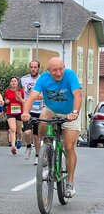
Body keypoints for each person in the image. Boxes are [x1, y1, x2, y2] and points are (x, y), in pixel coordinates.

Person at [22, 57, 82, 198]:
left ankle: (70, 183)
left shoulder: (70, 75)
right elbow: (31, 97)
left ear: (64, 67)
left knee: (68, 146)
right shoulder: (44, 78)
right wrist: (25, 112)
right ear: (49, 71)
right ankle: (47, 149)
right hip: (52, 110)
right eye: (54, 70)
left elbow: (78, 95)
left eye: (60, 69)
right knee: (43, 121)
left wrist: (75, 112)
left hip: (70, 113)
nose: (58, 73)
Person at [21, 60, 43, 165]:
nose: (33, 69)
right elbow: (16, 90)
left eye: (35, 67)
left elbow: (46, 93)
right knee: (27, 132)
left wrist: (36, 97)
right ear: (29, 68)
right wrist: (22, 100)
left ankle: (37, 156)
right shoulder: (24, 79)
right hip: (28, 111)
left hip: (40, 111)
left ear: (38, 68)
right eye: (31, 67)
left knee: (37, 135)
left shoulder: (42, 79)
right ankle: (29, 146)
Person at [4, 76, 24, 155]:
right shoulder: (7, 91)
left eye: (15, 81)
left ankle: (19, 138)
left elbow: (25, 101)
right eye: (12, 81)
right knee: (12, 129)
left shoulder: (21, 91)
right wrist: (6, 101)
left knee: (18, 130)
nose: (13, 82)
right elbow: (5, 100)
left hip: (19, 112)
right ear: (10, 83)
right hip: (10, 112)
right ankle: (13, 146)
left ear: (18, 83)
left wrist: (20, 100)